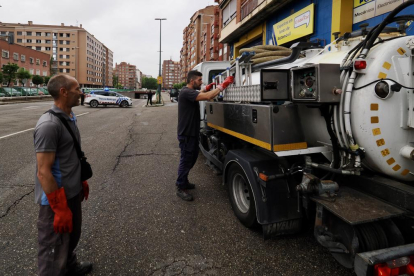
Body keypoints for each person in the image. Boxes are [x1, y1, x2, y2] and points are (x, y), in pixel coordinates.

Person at [34, 74, 93, 276]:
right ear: (64, 92)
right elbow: (43, 171)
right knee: (53, 250)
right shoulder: (48, 125)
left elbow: (70, 156)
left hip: (72, 192)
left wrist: (80, 180)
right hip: (56, 200)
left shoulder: (69, 117)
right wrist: (59, 209)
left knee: (71, 237)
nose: (81, 92)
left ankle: (69, 266)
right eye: (77, 89)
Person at [176, 70, 234, 201]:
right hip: (187, 134)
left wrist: (206, 89)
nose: (201, 82)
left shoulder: (189, 92)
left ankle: (183, 181)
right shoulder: (186, 92)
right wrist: (222, 85)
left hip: (191, 133)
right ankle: (180, 186)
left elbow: (199, 93)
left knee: (192, 158)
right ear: (192, 81)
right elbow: (207, 97)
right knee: (186, 160)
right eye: (200, 80)